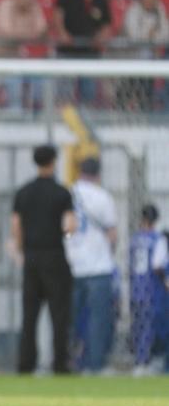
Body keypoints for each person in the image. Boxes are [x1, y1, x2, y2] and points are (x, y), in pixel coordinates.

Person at [11, 145, 76, 374]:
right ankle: (60, 363)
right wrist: (66, 234)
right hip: (54, 255)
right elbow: (69, 225)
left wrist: (21, 251)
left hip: (31, 257)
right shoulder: (62, 193)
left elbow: (16, 226)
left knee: (30, 314)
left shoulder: (23, 192)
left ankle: (26, 363)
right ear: (54, 161)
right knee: (59, 313)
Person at [64, 157, 117, 374]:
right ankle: (94, 365)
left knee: (68, 319)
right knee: (98, 319)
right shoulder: (103, 197)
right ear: (98, 173)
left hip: (71, 264)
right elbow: (112, 234)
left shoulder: (67, 194)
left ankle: (66, 362)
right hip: (98, 267)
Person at [54, 0, 112, 104]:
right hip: (67, 51)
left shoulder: (101, 0)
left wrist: (101, 37)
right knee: (64, 91)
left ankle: (86, 121)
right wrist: (63, 34)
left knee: (89, 92)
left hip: (90, 53)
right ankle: (63, 120)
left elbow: (106, 24)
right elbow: (57, 15)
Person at [129, 204, 168, 376]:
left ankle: (139, 359)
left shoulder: (135, 239)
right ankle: (145, 362)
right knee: (151, 326)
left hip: (136, 287)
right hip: (152, 289)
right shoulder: (157, 239)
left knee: (138, 325)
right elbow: (157, 265)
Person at [120, 0, 169, 109]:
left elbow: (165, 34)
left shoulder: (159, 10)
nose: (150, 1)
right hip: (131, 60)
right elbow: (134, 36)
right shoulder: (133, 11)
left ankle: (146, 112)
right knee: (126, 91)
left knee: (147, 92)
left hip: (151, 60)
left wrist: (152, 37)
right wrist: (150, 34)